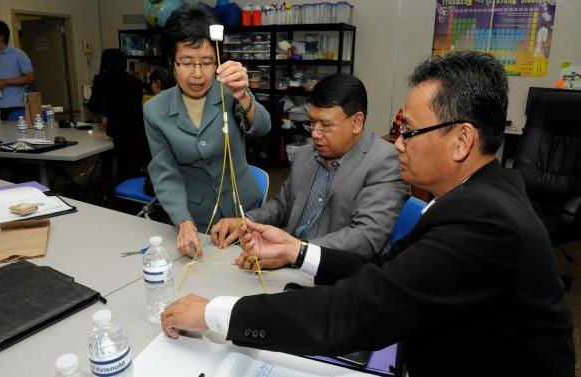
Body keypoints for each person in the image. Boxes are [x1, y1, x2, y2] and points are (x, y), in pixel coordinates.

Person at [160, 52, 575, 376]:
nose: (397, 144)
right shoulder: (478, 196)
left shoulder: (485, 224)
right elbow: (388, 270)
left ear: (461, 140)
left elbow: (358, 309)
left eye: (409, 131)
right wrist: (298, 252)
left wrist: (216, 313)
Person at [211, 73, 407, 269]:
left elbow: (366, 237)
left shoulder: (385, 161)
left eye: (326, 125)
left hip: (338, 275)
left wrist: (295, 252)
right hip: (291, 261)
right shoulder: (305, 155)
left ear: (356, 122)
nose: (315, 134)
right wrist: (247, 222)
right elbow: (282, 204)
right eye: (312, 122)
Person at [144, 6, 271, 257]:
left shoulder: (230, 91)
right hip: (197, 221)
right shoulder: (155, 110)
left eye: (207, 62)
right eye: (187, 63)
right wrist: (184, 221)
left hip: (243, 216)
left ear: (218, 61)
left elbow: (263, 127)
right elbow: (165, 173)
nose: (198, 74)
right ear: (172, 62)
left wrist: (243, 96)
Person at [87, 49, 149, 185]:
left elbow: (94, 106)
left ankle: (106, 184)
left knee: (109, 154)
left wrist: (106, 113)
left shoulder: (101, 80)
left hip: (117, 129)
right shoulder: (135, 81)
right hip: (139, 128)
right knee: (131, 168)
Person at [0, 20, 34, 120]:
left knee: (13, 135)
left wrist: (5, 82)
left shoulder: (19, 55)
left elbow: (30, 78)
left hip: (14, 106)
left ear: (1, 36)